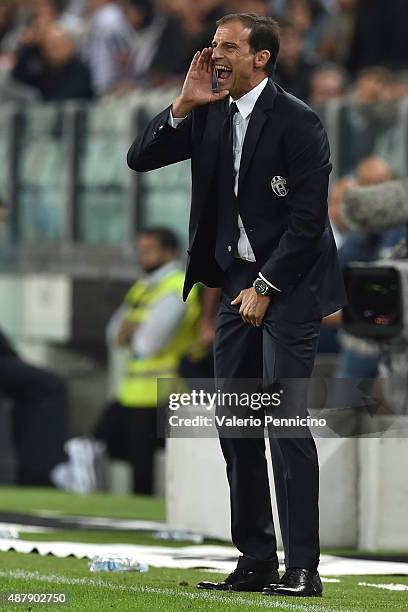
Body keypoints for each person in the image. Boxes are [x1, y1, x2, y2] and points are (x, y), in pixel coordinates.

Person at [127, 12, 346, 597]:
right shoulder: (210, 112)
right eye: (213, 43)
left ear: (261, 58)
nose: (214, 53)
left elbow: (307, 223)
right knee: (237, 425)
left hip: (292, 284)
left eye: (228, 46)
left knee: (284, 423)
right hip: (236, 280)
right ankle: (255, 561)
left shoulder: (300, 123)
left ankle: (304, 568)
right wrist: (182, 103)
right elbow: (140, 158)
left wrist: (266, 289)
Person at [93, 227, 201, 493]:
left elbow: (148, 342)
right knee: (107, 442)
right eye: (140, 251)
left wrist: (131, 331)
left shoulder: (177, 285)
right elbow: (112, 333)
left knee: (145, 468)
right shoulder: (144, 286)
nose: (143, 257)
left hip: (164, 390)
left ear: (169, 252)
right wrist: (130, 331)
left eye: (149, 251)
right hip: (133, 392)